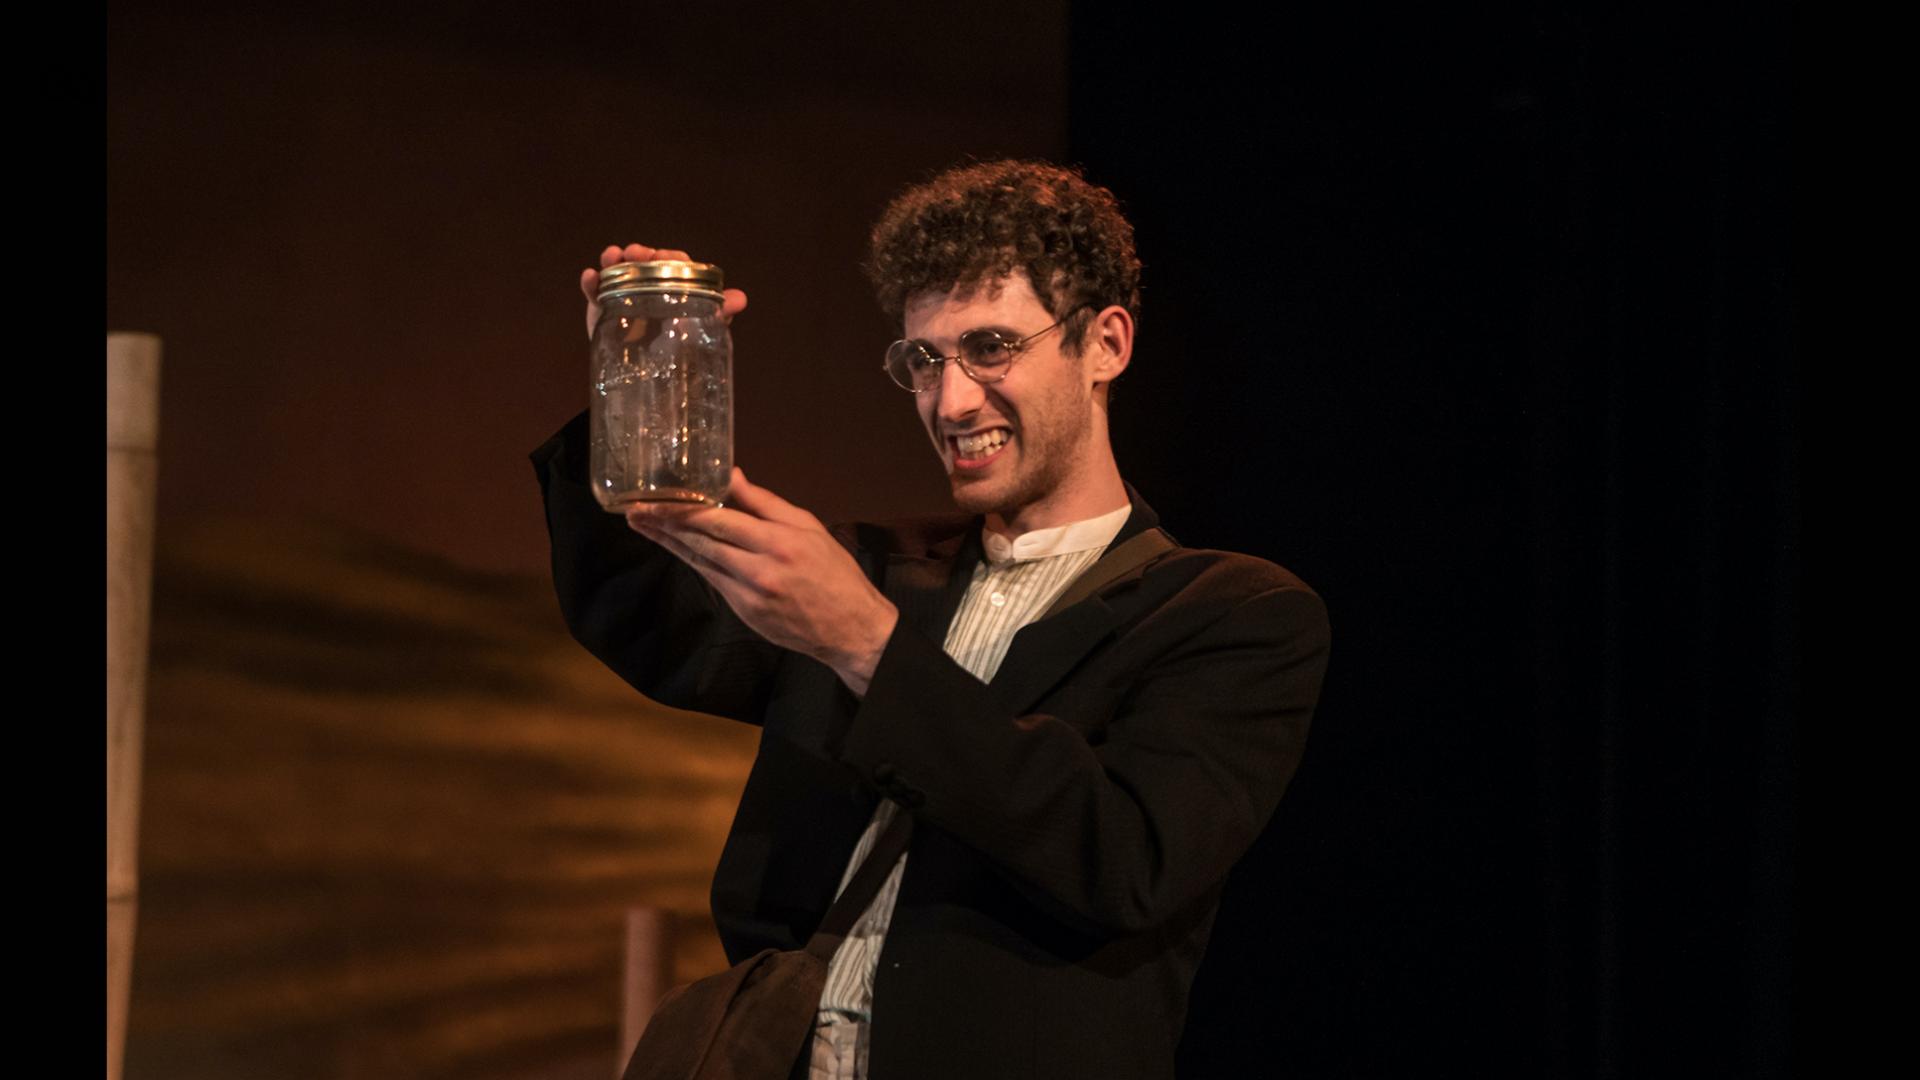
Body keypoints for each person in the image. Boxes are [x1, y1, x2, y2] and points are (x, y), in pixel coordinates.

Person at [532, 160, 1331, 1080]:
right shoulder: (882, 567)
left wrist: (866, 642)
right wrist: (630, 384)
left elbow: (1121, 857)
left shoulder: (1235, 614)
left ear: (1105, 343)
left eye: (991, 346)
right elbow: (651, 624)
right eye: (923, 359)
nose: (950, 402)